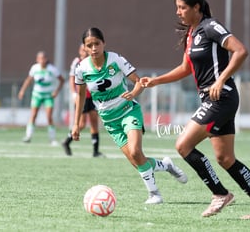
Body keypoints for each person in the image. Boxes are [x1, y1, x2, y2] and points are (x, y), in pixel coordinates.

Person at [140, 0, 250, 219]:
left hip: (221, 96)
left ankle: (220, 194)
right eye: (177, 8)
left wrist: (220, 79)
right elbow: (186, 68)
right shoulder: (192, 33)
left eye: (182, 7)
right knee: (225, 158)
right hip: (213, 98)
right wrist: (156, 81)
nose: (178, 12)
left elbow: (241, 51)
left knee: (183, 145)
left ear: (197, 7)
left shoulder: (210, 27)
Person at [70, 27, 188, 204]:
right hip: (110, 121)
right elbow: (80, 96)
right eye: (89, 45)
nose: (94, 48)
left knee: (135, 151)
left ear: (104, 43)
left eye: (97, 43)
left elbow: (138, 82)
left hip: (128, 111)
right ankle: (167, 166)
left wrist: (133, 93)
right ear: (85, 48)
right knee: (137, 161)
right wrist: (76, 123)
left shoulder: (116, 60)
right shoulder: (82, 68)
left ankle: (155, 195)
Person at [62, 44, 104, 157]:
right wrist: (73, 93)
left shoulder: (93, 61)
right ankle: (67, 141)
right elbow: (71, 77)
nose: (84, 52)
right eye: (82, 50)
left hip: (93, 96)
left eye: (86, 49)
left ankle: (95, 151)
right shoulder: (77, 61)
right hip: (82, 96)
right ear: (79, 51)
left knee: (95, 122)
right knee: (81, 124)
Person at [18, 51, 65, 146]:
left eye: (44, 58)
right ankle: (28, 136)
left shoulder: (52, 69)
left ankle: (52, 139)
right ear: (37, 60)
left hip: (48, 96)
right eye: (40, 58)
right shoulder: (34, 68)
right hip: (37, 95)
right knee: (34, 115)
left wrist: (56, 91)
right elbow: (28, 80)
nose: (42, 60)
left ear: (46, 59)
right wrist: (22, 90)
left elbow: (62, 80)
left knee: (49, 117)